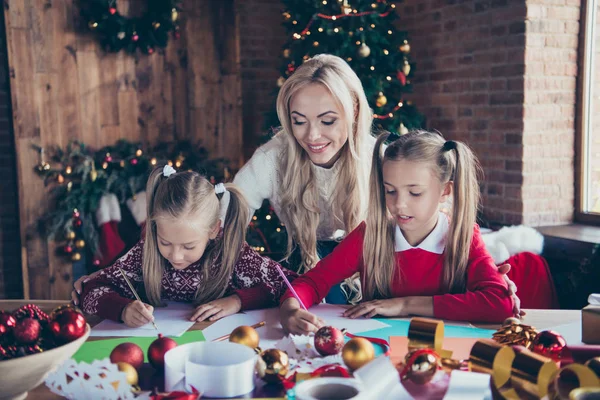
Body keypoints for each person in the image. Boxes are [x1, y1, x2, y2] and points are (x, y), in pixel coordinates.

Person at [280, 131, 514, 334]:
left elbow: (498, 304)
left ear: (445, 190)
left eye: (415, 193)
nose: (399, 204)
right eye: (390, 191)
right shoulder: (369, 236)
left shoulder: (464, 237)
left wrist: (404, 305)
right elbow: (313, 282)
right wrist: (290, 309)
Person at [233, 54, 377, 303]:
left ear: (353, 110)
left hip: (370, 261)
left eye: (327, 121)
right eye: (299, 121)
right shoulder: (272, 158)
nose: (312, 136)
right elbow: (229, 211)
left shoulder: (378, 156)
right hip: (301, 261)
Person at [80, 165, 296, 327]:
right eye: (165, 242)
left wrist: (237, 301)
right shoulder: (145, 252)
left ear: (213, 230)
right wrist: (122, 309)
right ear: (154, 228)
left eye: (189, 246)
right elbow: (89, 290)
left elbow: (292, 284)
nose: (175, 256)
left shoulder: (231, 252)